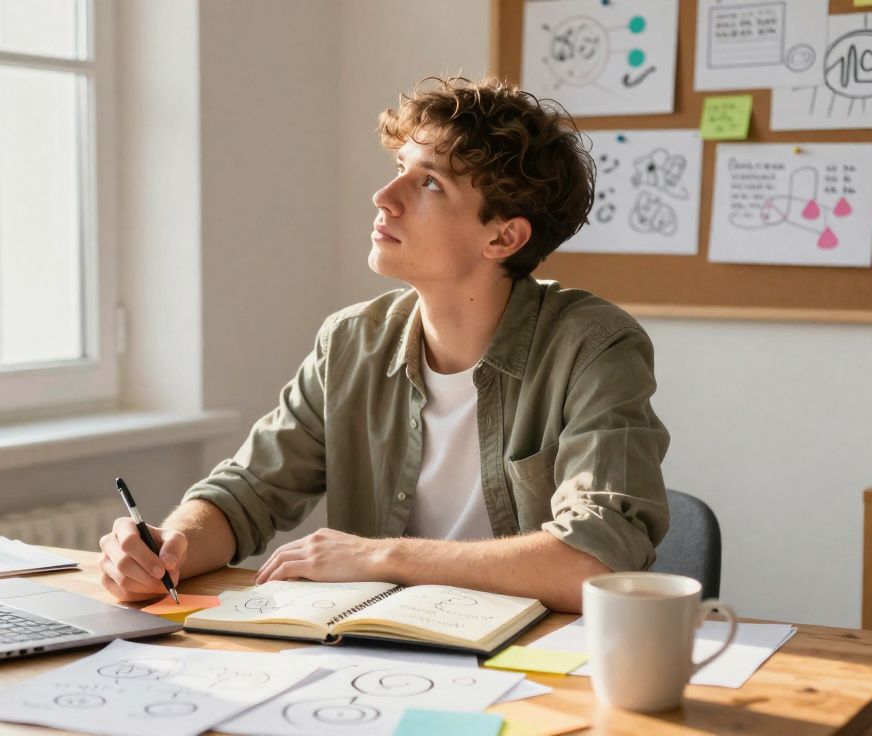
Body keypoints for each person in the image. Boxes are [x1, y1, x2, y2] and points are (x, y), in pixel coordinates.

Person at [98, 76, 669, 613]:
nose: (384, 196)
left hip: (531, 664)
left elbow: (596, 559)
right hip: (375, 650)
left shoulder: (593, 346)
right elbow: (248, 493)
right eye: (400, 167)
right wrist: (168, 546)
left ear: (503, 235)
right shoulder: (351, 342)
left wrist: (379, 557)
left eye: (428, 182)